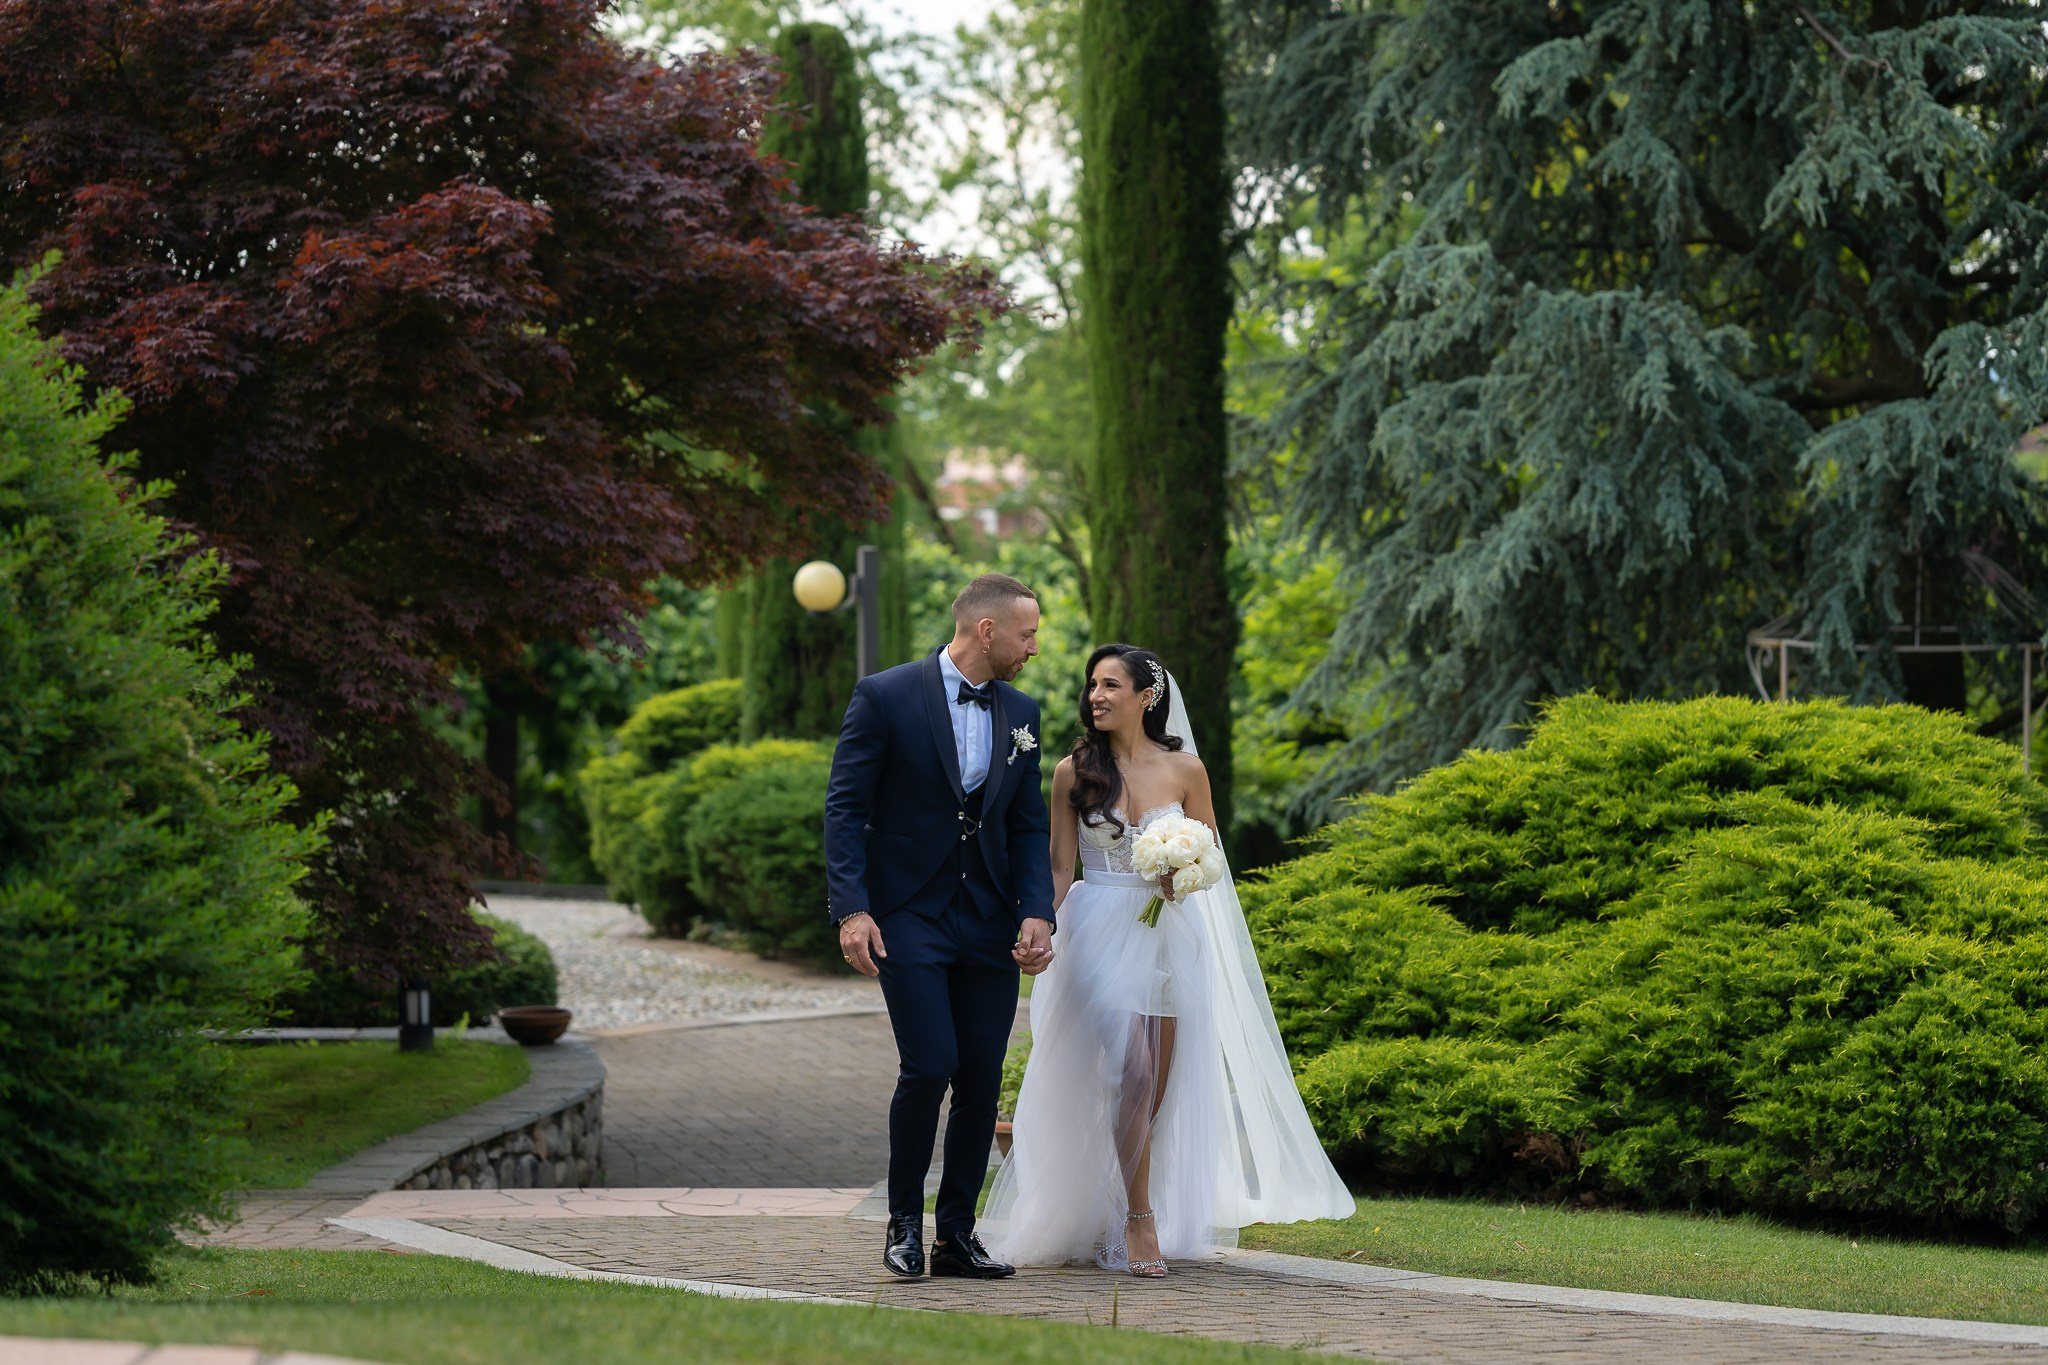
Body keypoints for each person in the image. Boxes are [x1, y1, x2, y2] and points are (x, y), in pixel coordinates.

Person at [981, 643, 1354, 1275]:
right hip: (1096, 928)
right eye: (1092, 685)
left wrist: (1182, 873)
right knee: (1134, 1065)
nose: (1095, 696)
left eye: (1110, 685)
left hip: (1168, 933)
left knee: (1155, 1084)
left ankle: (1110, 1199)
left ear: (1145, 697)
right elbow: (1060, 866)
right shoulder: (1073, 770)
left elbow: (1210, 853)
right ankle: (1137, 1220)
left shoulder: (1185, 770)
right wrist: (1037, 924)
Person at [823, 572, 1057, 1280]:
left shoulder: (1022, 711)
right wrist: (853, 907)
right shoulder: (884, 695)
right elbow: (844, 807)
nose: (1034, 647)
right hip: (908, 916)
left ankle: (956, 1233)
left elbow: (1025, 822)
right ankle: (902, 1221)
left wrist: (1036, 908)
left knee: (981, 1077)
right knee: (929, 1064)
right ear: (987, 631)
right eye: (1027, 633)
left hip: (986, 920)